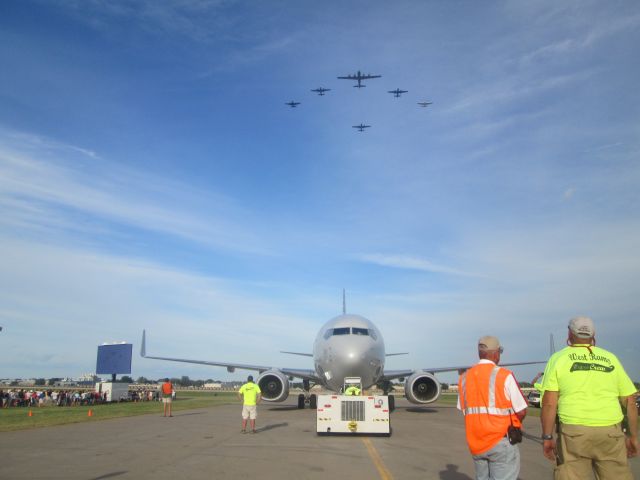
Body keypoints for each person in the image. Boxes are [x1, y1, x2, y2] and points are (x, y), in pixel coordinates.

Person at [540, 316, 638, 479]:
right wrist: (633, 436)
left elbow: (549, 404)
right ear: (594, 335)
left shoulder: (558, 358)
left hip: (574, 432)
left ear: (570, 334)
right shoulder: (610, 358)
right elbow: (630, 401)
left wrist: (547, 436)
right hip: (610, 432)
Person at [458, 336, 528, 480]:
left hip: (476, 444)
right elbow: (521, 410)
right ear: (496, 353)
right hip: (500, 441)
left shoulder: (464, 378)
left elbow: (464, 409)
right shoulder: (504, 375)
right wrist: (516, 424)